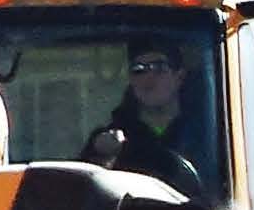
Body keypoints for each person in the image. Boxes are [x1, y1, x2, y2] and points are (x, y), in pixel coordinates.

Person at [81, 39, 213, 194]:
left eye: (159, 68)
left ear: (180, 77)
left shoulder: (209, 134)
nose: (148, 78)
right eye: (138, 70)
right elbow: (82, 196)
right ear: (131, 80)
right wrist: (101, 158)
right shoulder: (109, 142)